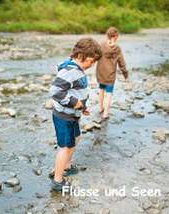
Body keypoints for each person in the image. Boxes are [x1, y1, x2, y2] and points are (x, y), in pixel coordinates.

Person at [49, 38, 102, 191]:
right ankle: (58, 180)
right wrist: (74, 103)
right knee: (66, 146)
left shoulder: (76, 69)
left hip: (72, 114)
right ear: (80, 55)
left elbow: (75, 91)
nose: (92, 65)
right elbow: (55, 91)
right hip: (64, 116)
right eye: (91, 61)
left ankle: (66, 165)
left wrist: (81, 107)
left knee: (76, 138)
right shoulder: (70, 71)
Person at [96, 27, 129, 119]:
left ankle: (100, 108)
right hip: (110, 73)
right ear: (115, 36)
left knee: (101, 89)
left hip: (100, 71)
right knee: (109, 93)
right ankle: (106, 113)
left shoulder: (101, 45)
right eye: (117, 36)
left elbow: (96, 56)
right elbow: (121, 62)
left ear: (108, 35)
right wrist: (125, 73)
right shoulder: (117, 48)